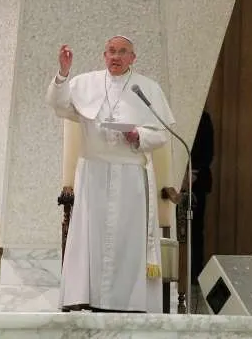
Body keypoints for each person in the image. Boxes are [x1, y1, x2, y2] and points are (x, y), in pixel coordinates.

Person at [46, 36, 175, 313]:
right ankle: (87, 297)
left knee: (127, 243)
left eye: (122, 52)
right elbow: (58, 105)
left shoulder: (147, 89)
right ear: (104, 55)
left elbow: (162, 134)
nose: (116, 57)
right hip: (93, 175)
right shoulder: (85, 83)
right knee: (90, 239)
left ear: (133, 58)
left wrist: (137, 134)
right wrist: (63, 73)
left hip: (131, 178)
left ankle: (127, 302)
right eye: (111, 52)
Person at [190, 108, 214, 284]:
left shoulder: (204, 118)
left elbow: (208, 151)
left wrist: (194, 172)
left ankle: (194, 274)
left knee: (196, 229)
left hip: (197, 181)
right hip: (173, 183)